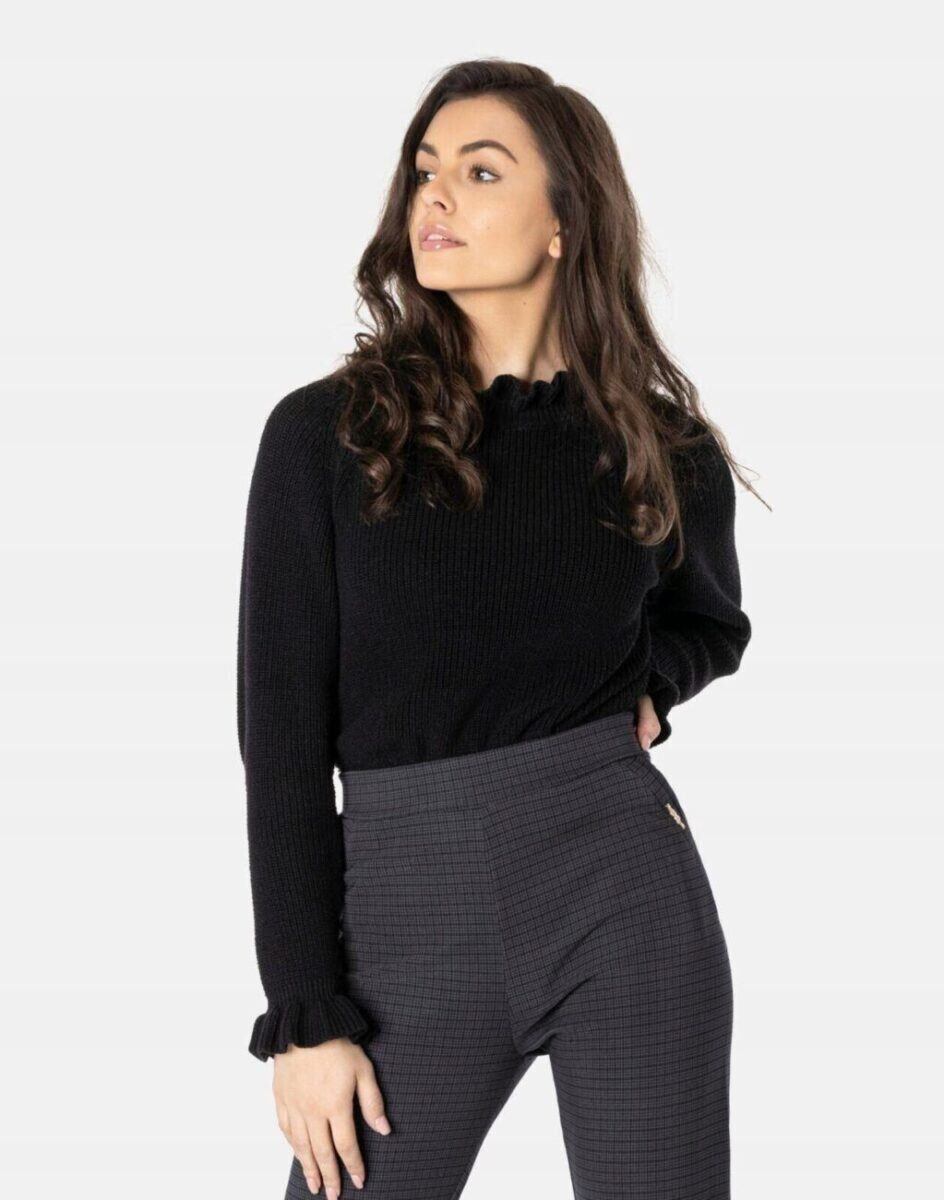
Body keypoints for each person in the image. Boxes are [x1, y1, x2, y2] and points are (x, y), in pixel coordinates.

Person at [237, 58, 760, 1200]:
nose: (435, 196)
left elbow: (708, 621)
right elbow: (279, 747)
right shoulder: (329, 437)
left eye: (481, 172)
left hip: (620, 888)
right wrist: (304, 1014)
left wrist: (648, 691)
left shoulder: (657, 448)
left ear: (565, 218)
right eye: (425, 170)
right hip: (401, 919)